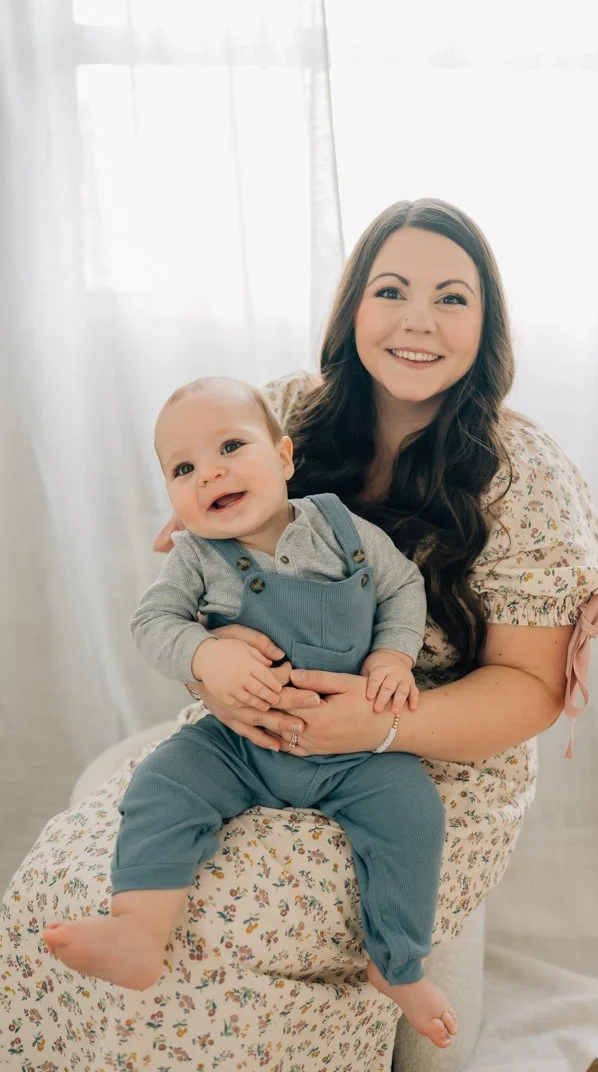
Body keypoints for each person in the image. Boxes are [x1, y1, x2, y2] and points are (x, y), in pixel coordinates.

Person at [1, 198, 598, 1072]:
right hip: (255, 729)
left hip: (428, 752)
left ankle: (366, 989)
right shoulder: (291, 409)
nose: (417, 320)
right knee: (61, 888)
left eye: (452, 298)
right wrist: (212, 665)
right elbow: (196, 558)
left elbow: (531, 689)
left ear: (487, 326)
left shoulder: (521, 473)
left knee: (221, 924)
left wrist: (377, 721)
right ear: (353, 309)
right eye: (391, 290)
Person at [43, 375, 458, 1048]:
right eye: (183, 468)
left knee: (413, 812)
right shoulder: (196, 556)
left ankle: (399, 963)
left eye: (230, 447)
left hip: (352, 752)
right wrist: (205, 655)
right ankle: (140, 931)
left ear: (286, 459)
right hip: (239, 746)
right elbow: (153, 622)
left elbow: (402, 587)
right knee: (163, 782)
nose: (209, 473)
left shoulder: (344, 530)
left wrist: (391, 658)